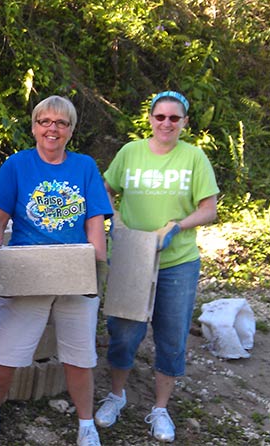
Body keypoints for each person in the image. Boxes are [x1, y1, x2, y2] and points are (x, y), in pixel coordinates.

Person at [0, 96, 112, 446]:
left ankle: (86, 423)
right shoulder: (17, 165)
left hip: (74, 271)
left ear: (71, 131)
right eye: (45, 121)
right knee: (4, 354)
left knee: (80, 356)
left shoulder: (85, 166)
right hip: (28, 271)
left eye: (60, 123)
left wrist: (96, 267)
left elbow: (94, 222)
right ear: (33, 127)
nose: (52, 129)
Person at [94, 91, 219, 442]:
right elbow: (104, 188)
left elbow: (209, 209)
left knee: (172, 334)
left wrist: (177, 226)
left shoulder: (193, 158)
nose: (166, 123)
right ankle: (116, 396)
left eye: (174, 119)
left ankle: (160, 408)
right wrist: (113, 216)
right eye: (160, 117)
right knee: (124, 329)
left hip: (176, 262)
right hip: (132, 255)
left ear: (184, 123)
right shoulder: (130, 153)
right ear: (149, 119)